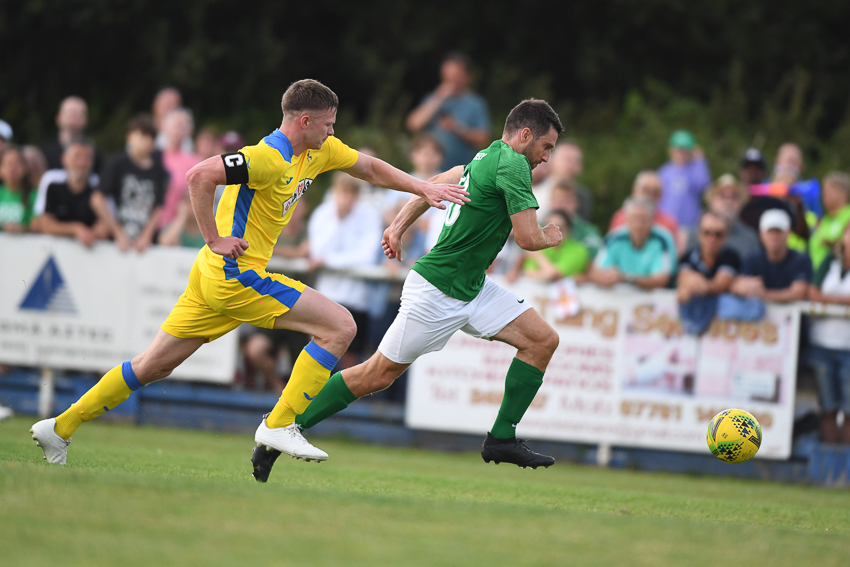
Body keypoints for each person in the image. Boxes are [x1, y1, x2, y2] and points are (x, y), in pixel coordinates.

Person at [30, 78, 468, 467]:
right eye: (329, 124)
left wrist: (422, 186)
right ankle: (279, 424)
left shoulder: (318, 151)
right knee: (340, 327)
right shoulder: (268, 157)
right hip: (233, 273)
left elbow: (369, 168)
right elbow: (200, 175)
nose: (334, 132)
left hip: (214, 277)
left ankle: (60, 427)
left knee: (151, 366)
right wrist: (213, 237)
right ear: (304, 121)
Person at [252, 98, 565, 483]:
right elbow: (528, 238)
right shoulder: (514, 164)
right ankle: (280, 431)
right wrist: (551, 237)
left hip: (472, 288)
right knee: (376, 374)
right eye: (546, 147)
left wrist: (397, 226)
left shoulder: (486, 157)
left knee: (542, 340)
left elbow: (435, 184)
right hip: (437, 290)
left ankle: (501, 437)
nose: (546, 158)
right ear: (526, 134)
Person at [308, 172, 384, 369]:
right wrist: (338, 220)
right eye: (344, 192)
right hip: (326, 295)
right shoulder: (323, 213)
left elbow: (366, 256)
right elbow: (318, 251)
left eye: (352, 193)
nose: (347, 198)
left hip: (356, 298)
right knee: (319, 353)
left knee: (350, 358)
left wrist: (329, 260)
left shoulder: (369, 215)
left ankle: (343, 400)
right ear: (335, 191)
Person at [92, 114, 168, 253]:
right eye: (141, 135)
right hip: (116, 236)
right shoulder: (116, 163)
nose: (145, 141)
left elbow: (159, 207)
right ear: (129, 136)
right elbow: (97, 199)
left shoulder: (159, 170)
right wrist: (117, 232)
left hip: (146, 240)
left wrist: (147, 236)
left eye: (150, 137)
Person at [405, 52, 491, 170]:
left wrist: (458, 129)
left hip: (461, 171)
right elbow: (413, 124)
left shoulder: (475, 104)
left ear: (467, 77)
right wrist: (438, 97)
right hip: (430, 172)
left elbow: (484, 139)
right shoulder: (432, 98)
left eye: (455, 75)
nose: (450, 79)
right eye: (446, 75)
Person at [807, 222, 850, 443]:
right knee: (827, 405)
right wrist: (842, 303)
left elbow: (820, 295)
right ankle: (829, 464)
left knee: (849, 408)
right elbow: (813, 292)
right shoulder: (830, 262)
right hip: (822, 342)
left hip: (847, 346)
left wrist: (829, 300)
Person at [36, 139, 111, 247]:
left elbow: (107, 225)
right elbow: (44, 224)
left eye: (87, 158)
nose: (82, 163)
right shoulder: (52, 182)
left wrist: (90, 234)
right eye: (77, 157)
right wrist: (76, 229)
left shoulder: (99, 187)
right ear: (64, 159)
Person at [588, 198, 676, 290]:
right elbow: (596, 272)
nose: (639, 225)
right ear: (626, 219)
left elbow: (663, 279)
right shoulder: (613, 238)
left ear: (652, 219)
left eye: (643, 219)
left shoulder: (663, 240)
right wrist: (605, 278)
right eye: (634, 218)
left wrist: (627, 278)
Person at [731, 209, 811, 303]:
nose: (774, 236)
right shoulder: (752, 258)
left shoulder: (800, 260)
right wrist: (744, 287)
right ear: (761, 234)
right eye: (770, 231)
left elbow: (798, 293)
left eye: (779, 231)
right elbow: (736, 285)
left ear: (789, 233)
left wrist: (762, 294)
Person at [508, 209, 590, 283]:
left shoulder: (578, 250)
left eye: (559, 228)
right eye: (549, 228)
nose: (553, 233)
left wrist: (537, 256)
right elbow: (528, 272)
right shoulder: (543, 245)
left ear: (569, 230)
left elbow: (552, 275)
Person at [677, 211, 740, 304]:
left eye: (718, 234)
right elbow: (682, 277)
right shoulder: (688, 256)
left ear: (725, 236)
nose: (712, 239)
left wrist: (694, 285)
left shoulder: (732, 257)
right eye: (707, 232)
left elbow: (720, 285)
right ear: (699, 233)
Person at [697, 174, 761, 259]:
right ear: (711, 201)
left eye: (734, 196)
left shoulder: (750, 238)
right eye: (722, 195)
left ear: (741, 204)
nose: (728, 201)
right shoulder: (694, 235)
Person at [657, 129, 711, 230]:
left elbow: (704, 185)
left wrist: (700, 160)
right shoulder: (664, 172)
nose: (681, 153)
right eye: (678, 150)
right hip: (665, 225)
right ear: (671, 150)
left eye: (685, 150)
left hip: (689, 225)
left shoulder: (695, 170)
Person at [158, 108, 202, 230]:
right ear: (164, 127)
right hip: (150, 223)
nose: (179, 130)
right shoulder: (153, 157)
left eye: (184, 126)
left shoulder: (196, 162)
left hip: (179, 228)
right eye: (176, 125)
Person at [531, 141, 593, 221]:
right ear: (552, 161)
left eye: (576, 161)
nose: (571, 166)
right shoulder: (534, 190)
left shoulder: (583, 196)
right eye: (567, 160)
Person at [40, 96, 103, 173]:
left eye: (79, 114)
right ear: (58, 117)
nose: (75, 118)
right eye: (71, 113)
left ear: (86, 120)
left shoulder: (95, 154)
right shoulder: (44, 154)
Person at [609, 170, 679, 237]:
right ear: (634, 191)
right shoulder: (620, 218)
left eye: (655, 193)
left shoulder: (669, 224)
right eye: (646, 190)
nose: (650, 196)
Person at [548, 179, 602, 258]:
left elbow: (592, 252)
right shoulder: (538, 226)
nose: (562, 206)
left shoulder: (587, 230)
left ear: (576, 203)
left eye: (567, 201)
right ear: (551, 201)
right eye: (558, 200)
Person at [809, 172, 850, 271]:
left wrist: (831, 243)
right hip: (816, 277)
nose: (825, 194)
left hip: (839, 278)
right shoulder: (824, 219)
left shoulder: (848, 215)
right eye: (824, 190)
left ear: (844, 192)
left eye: (831, 190)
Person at [0, 146, 35, 232]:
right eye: (8, 164)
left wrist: (21, 229)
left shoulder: (34, 195)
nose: (12, 168)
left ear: (25, 168)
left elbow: (38, 226)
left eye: (16, 164)